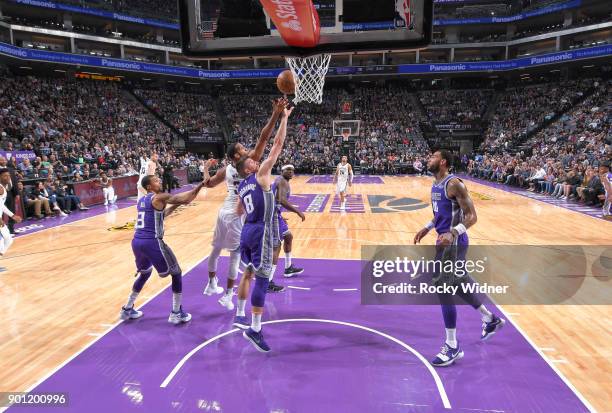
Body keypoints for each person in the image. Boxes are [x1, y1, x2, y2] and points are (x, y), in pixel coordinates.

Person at [414, 150, 505, 367]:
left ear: (443, 161)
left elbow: (472, 216)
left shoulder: (454, 184)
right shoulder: (436, 184)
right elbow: (440, 213)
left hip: (453, 244)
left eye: (433, 157)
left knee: (444, 290)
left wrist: (452, 233)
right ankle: (489, 319)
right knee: (459, 283)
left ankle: (452, 346)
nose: (429, 159)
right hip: (444, 241)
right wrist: (427, 227)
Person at [201, 97, 289, 311]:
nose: (247, 149)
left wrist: (205, 167)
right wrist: (278, 114)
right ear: (237, 157)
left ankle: (212, 283)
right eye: (242, 149)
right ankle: (229, 297)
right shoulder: (251, 164)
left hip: (225, 210)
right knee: (236, 257)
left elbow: (208, 183)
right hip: (238, 216)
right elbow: (266, 138)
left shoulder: (227, 170)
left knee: (215, 249)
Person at [233, 104, 293, 352]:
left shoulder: (241, 186)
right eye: (253, 162)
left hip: (247, 231)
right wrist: (284, 118)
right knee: (263, 279)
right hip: (262, 233)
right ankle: (255, 328)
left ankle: (239, 313)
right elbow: (277, 146)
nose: (257, 162)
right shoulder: (260, 176)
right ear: (249, 168)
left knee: (247, 273)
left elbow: (238, 211)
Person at [119, 175, 206, 324]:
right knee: (176, 272)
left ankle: (127, 308)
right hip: (151, 242)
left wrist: (175, 205)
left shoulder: (142, 201)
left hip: (137, 242)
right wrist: (201, 185)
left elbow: (161, 215)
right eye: (156, 180)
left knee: (145, 273)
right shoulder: (160, 197)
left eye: (159, 179)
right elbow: (186, 199)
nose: (160, 180)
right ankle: (176, 312)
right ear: (149, 187)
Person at [272, 164, 305, 278]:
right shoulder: (282, 181)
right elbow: (282, 200)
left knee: (288, 237)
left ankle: (288, 268)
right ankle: (268, 280)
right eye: (288, 170)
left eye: (292, 170)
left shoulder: (280, 180)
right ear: (282, 171)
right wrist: (298, 212)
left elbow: (275, 200)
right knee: (276, 246)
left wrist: (280, 215)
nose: (291, 171)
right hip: (272, 216)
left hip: (276, 214)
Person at [0, 169, 23, 262]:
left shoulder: (3, 188)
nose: (8, 177)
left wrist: (13, 216)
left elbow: (1, 206)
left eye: (9, 175)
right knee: (2, 241)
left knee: (9, 240)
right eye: (5, 176)